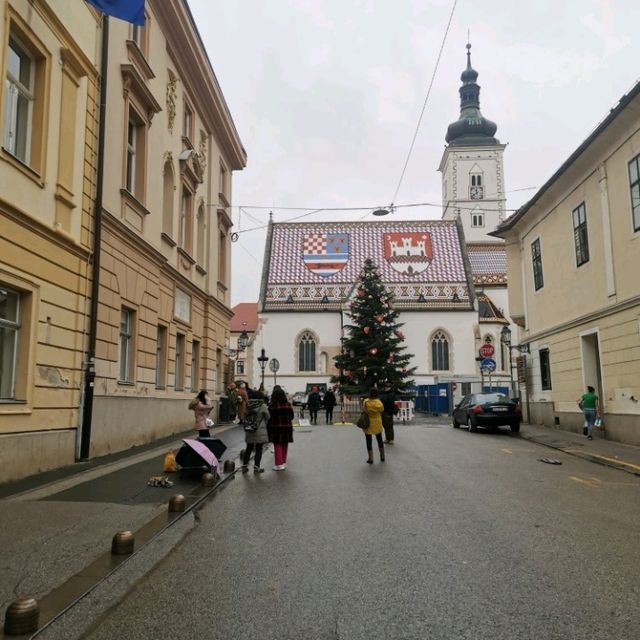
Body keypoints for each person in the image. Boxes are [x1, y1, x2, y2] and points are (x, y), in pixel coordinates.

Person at [268, 385, 294, 470]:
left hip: (276, 427)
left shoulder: (272, 405)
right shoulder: (288, 405)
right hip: (287, 427)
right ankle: (283, 462)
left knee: (278, 444)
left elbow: (269, 417)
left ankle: (279, 464)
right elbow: (292, 416)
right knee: (285, 444)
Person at [241, 397, 270, 474]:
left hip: (249, 429)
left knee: (249, 448)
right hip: (259, 430)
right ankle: (256, 467)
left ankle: (244, 466)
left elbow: (244, 415)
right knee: (259, 448)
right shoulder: (262, 405)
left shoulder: (248, 404)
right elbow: (268, 416)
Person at [362, 388, 385, 464]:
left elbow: (364, 410)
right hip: (377, 422)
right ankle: (382, 456)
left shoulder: (366, 401)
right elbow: (381, 410)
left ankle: (370, 458)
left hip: (368, 422)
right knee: (379, 439)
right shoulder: (379, 403)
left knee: (368, 440)